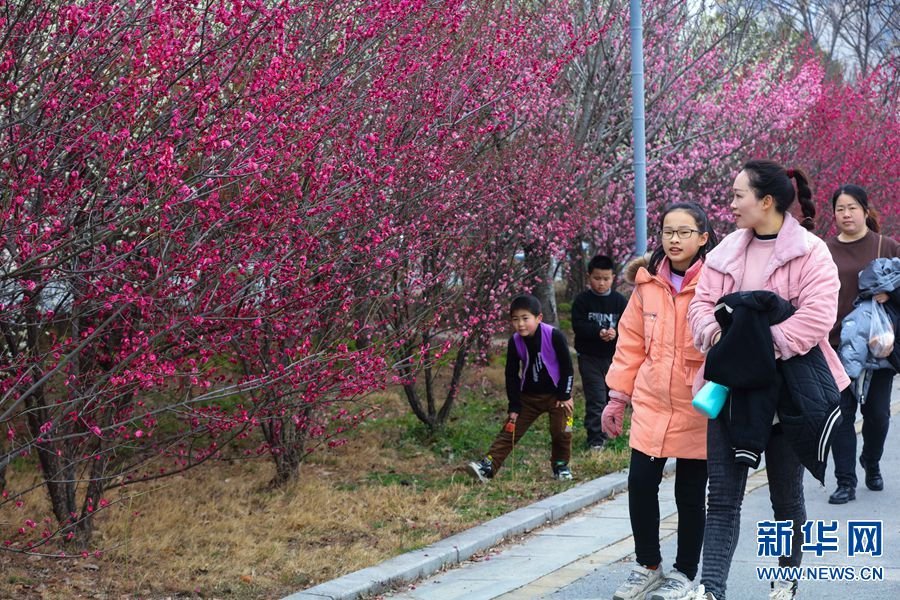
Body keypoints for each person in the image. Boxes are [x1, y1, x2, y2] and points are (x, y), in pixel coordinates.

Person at [687, 160, 850, 600]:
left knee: (785, 495)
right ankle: (712, 588)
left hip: (789, 389)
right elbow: (700, 309)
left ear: (766, 201)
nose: (732, 203)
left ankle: (786, 576)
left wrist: (754, 349)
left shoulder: (811, 253)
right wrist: (722, 340)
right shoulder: (722, 255)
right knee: (721, 495)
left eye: (739, 194)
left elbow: (817, 319)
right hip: (729, 388)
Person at [602, 202, 717, 600]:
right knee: (640, 483)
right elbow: (630, 344)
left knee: (689, 492)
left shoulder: (717, 283)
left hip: (697, 404)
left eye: (685, 232)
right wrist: (617, 398)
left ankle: (684, 573)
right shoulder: (646, 284)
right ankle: (647, 564)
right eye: (668, 231)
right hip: (652, 402)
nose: (674, 239)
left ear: (703, 238)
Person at [825, 184, 900, 504]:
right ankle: (845, 481)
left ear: (866, 210)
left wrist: (890, 294)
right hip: (834, 344)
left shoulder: (886, 246)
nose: (846, 214)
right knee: (841, 415)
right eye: (840, 209)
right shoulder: (823, 250)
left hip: (877, 347)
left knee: (878, 415)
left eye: (852, 207)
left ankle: (871, 461)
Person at [466, 294, 575, 482]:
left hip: (557, 396)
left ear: (538, 318)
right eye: (515, 319)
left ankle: (561, 466)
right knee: (510, 430)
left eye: (526, 319)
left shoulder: (554, 335)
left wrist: (565, 395)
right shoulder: (515, 341)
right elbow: (511, 374)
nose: (521, 324)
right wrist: (514, 405)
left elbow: (567, 367)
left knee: (562, 431)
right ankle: (488, 466)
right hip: (529, 397)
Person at [571, 254, 627, 451]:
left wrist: (616, 333)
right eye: (597, 278)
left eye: (606, 278)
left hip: (614, 359)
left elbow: (630, 327)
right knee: (595, 397)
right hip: (589, 358)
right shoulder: (582, 301)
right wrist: (598, 332)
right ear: (589, 277)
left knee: (611, 397)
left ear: (613, 277)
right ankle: (595, 438)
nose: (601, 283)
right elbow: (578, 325)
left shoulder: (620, 301)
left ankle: (610, 431)